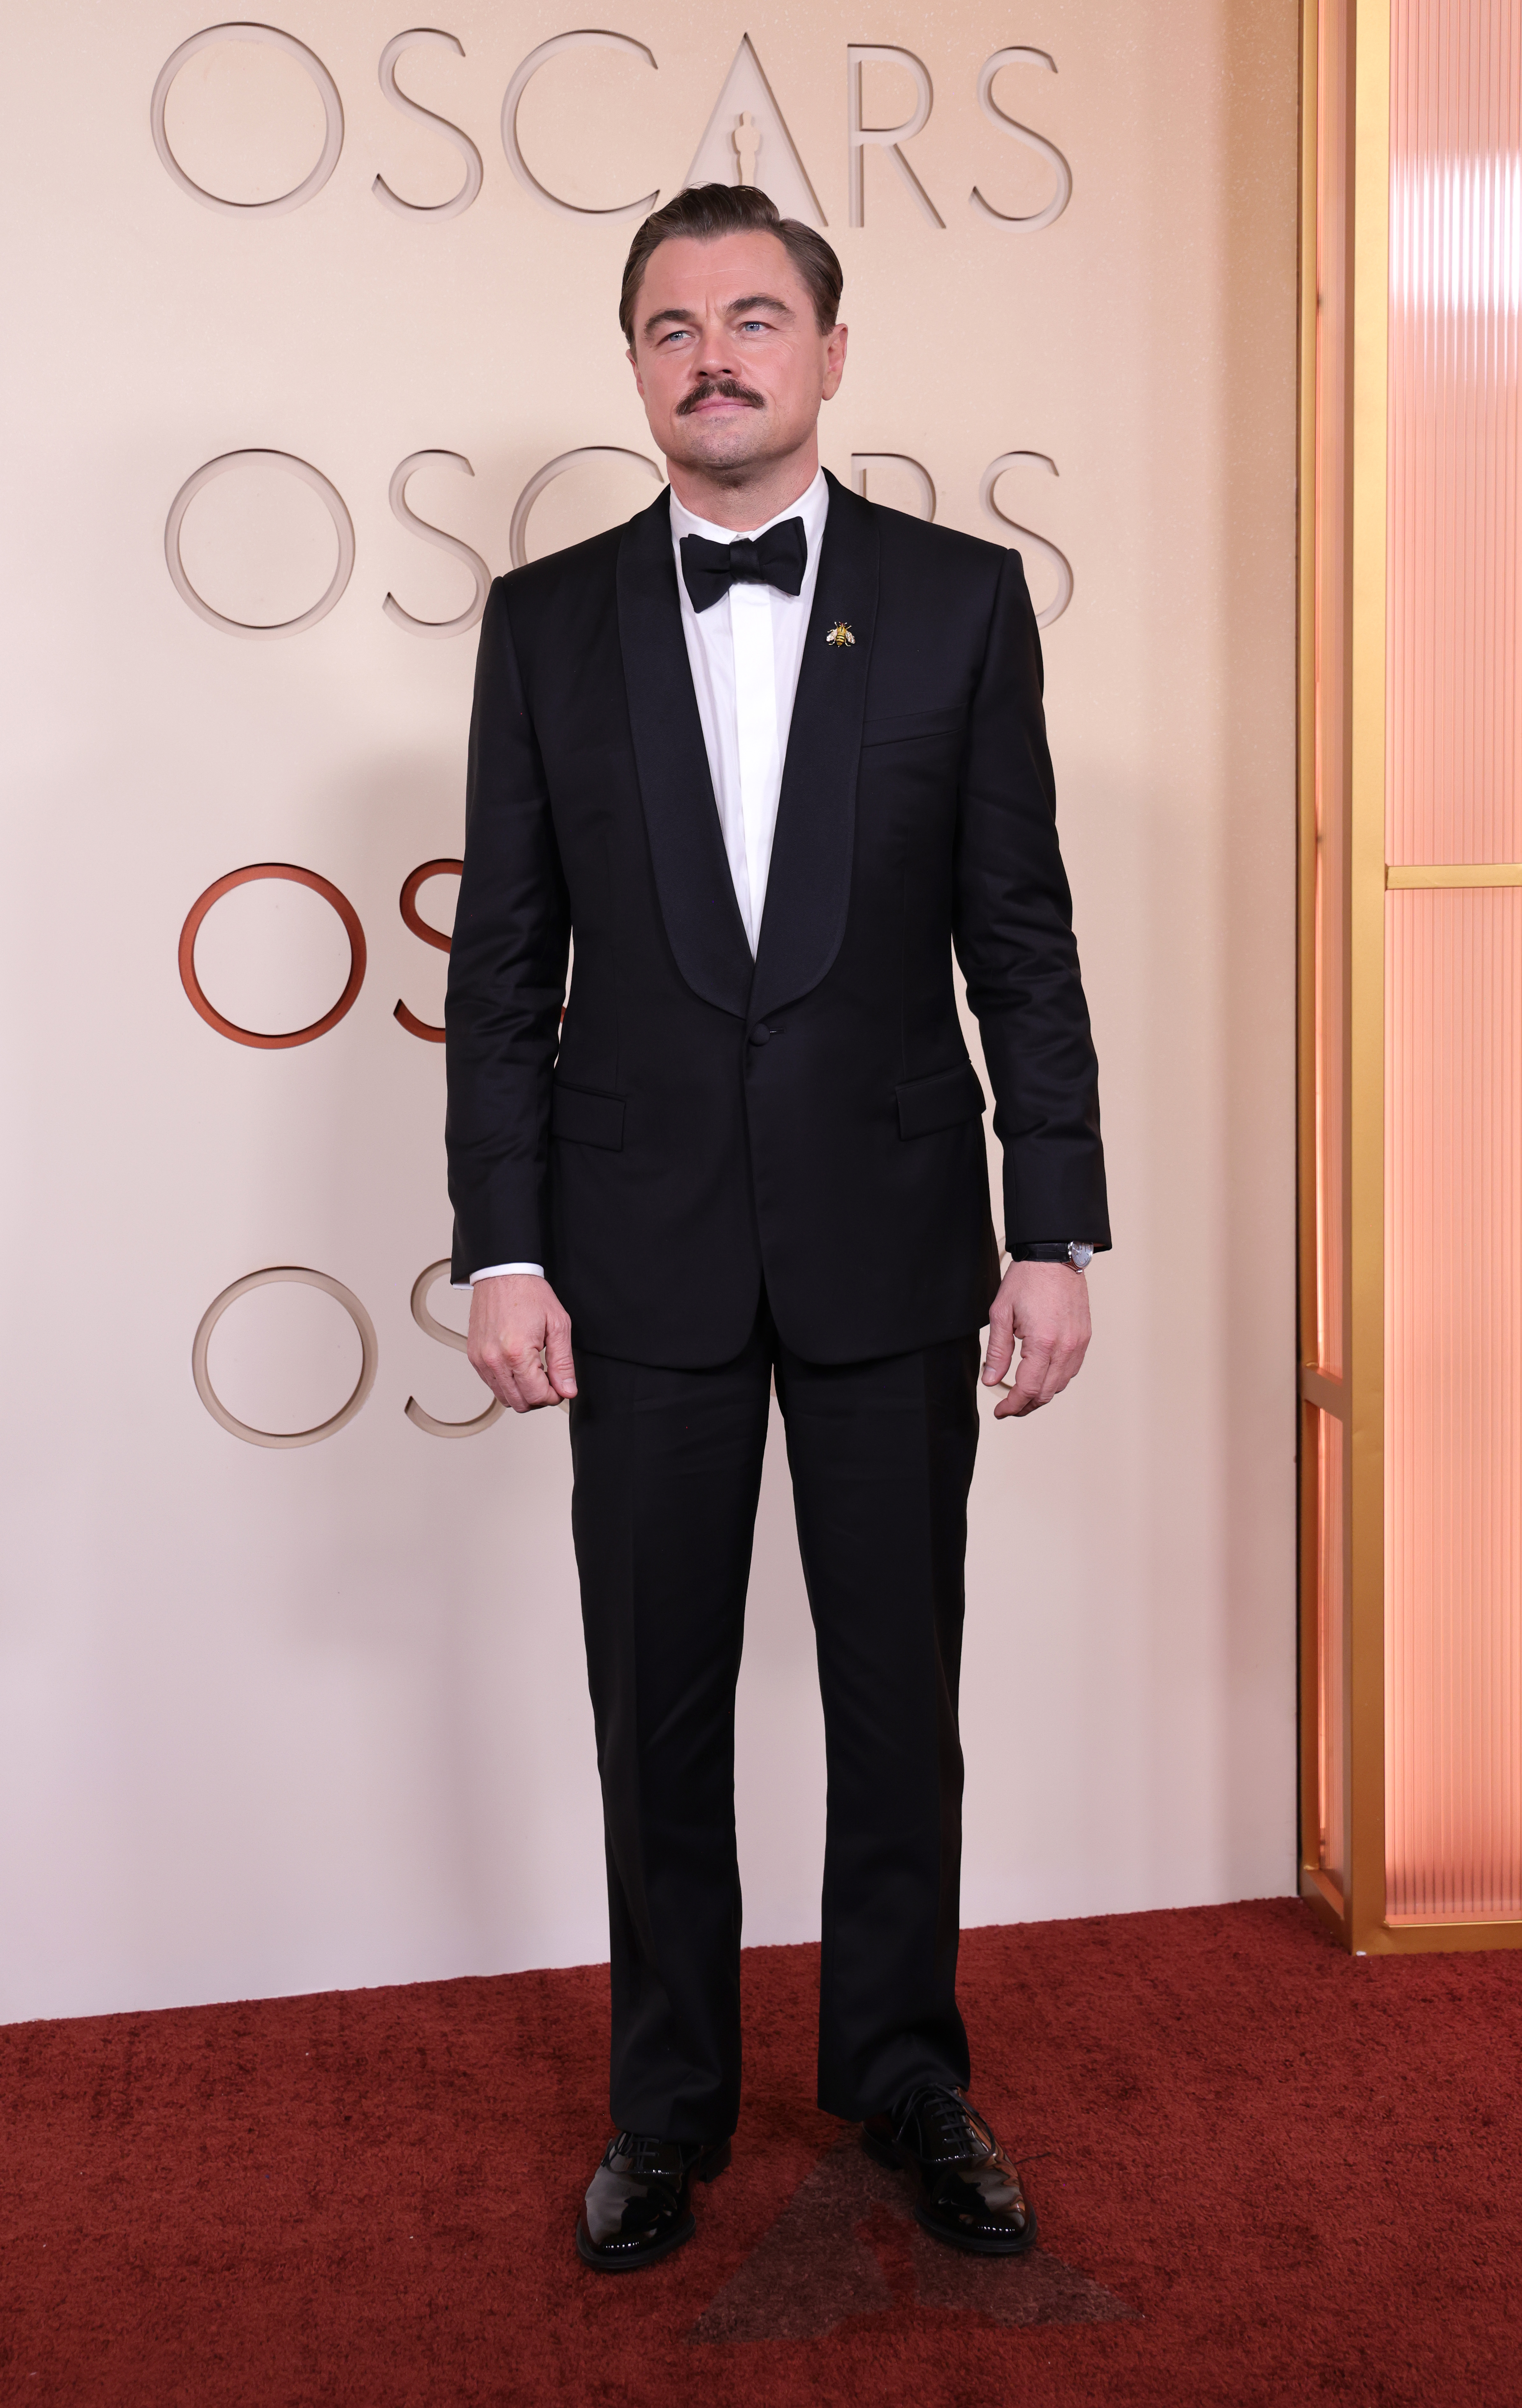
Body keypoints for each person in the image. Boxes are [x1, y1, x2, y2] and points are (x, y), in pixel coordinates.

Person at [445, 183, 1109, 2272]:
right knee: (654, 1697)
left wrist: (1056, 1224)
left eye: (751, 317)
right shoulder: (544, 622)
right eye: (669, 325)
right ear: (633, 365)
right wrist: (504, 1244)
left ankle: (906, 2071)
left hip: (900, 1235)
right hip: (626, 1260)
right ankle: (667, 2108)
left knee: (897, 1692)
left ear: (830, 352)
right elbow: (506, 970)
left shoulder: (957, 601)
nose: (711, 352)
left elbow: (1019, 934)